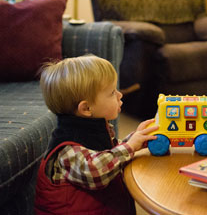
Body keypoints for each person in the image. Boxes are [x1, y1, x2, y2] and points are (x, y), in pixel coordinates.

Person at [34, 55, 158, 215]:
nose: (120, 95)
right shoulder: (67, 149)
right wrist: (129, 147)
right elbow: (94, 171)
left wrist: (135, 138)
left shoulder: (94, 129)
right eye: (112, 92)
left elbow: (108, 152)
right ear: (86, 109)